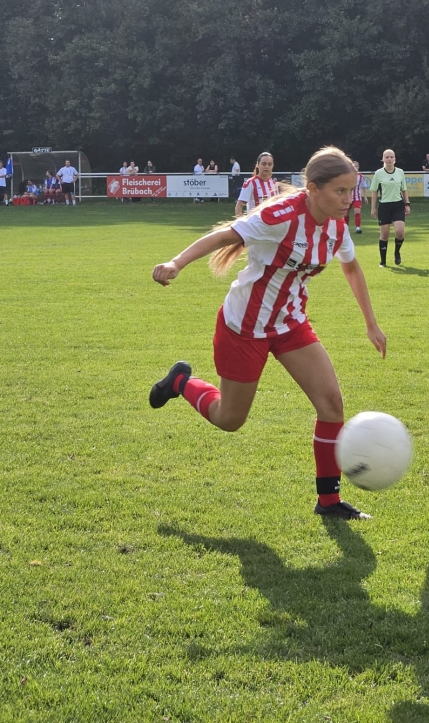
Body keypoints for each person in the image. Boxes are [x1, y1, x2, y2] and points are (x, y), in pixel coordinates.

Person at [148, 146, 387, 520]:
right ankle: (181, 383)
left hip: (291, 324)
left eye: (351, 190)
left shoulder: (337, 227)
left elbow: (352, 269)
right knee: (230, 419)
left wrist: (371, 323)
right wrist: (176, 262)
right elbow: (224, 236)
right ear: (313, 189)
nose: (348, 199)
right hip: (244, 327)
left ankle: (328, 502)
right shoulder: (281, 216)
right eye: (340, 191)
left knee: (331, 407)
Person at [369, 149, 409, 267]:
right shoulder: (378, 173)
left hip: (398, 205)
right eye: (387, 157)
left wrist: (407, 204)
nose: (389, 159)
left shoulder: (400, 172)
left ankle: (397, 252)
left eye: (391, 157)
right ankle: (383, 261)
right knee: (384, 235)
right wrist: (373, 208)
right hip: (384, 206)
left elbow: (404, 189)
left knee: (400, 232)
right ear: (383, 159)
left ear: (395, 159)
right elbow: (374, 192)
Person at [343, 159, 367, 234]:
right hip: (348, 197)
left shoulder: (361, 176)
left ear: (358, 167)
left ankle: (357, 228)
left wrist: (365, 196)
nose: (355, 167)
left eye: (356, 166)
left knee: (357, 212)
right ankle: (345, 228)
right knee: (346, 213)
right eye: (353, 166)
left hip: (357, 197)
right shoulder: (347, 176)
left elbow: (364, 186)